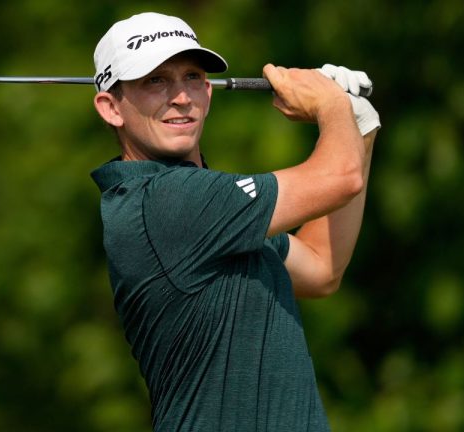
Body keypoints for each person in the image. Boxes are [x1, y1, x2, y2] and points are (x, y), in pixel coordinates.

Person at [89, 12, 379, 431]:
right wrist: (331, 104)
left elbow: (320, 268)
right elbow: (341, 177)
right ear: (111, 107)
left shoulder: (218, 214)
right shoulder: (163, 201)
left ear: (208, 92)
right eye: (155, 81)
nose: (181, 96)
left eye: (191, 77)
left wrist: (359, 130)